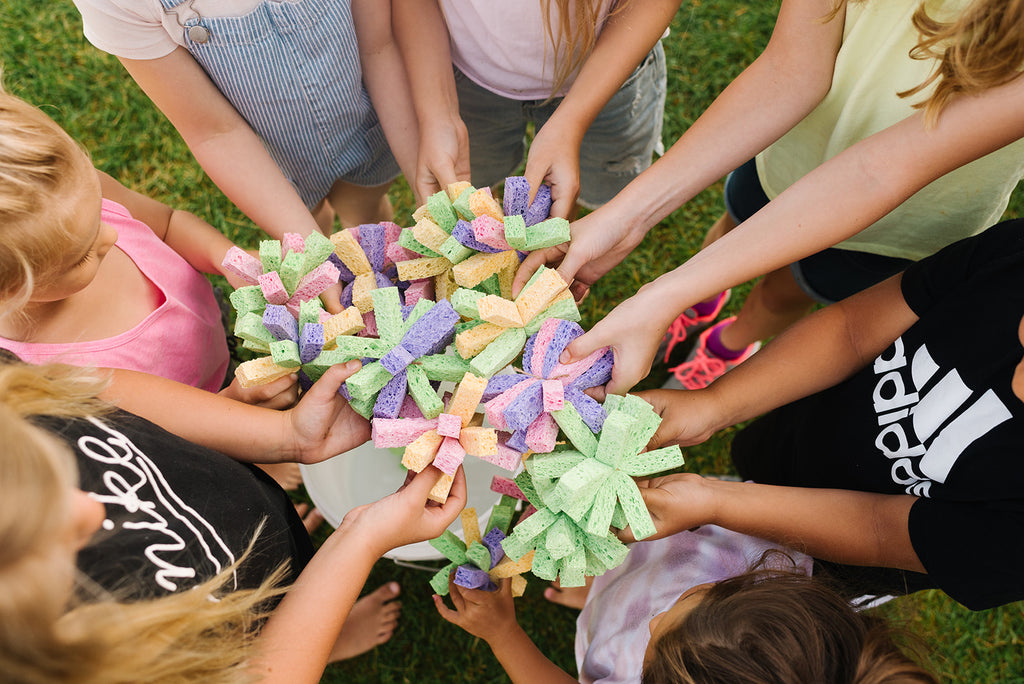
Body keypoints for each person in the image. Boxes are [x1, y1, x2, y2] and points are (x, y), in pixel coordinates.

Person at [518, 0, 1024, 394]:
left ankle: (731, 342)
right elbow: (791, 70)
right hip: (794, 146)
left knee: (787, 291)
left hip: (904, 218)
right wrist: (628, 217)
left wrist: (661, 294)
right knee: (736, 220)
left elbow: (878, 172)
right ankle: (700, 294)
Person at [625, 219, 1024, 611]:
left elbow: (879, 528)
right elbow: (853, 330)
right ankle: (619, 584)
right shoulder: (1013, 258)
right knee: (740, 488)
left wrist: (713, 501)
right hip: (801, 437)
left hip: (834, 563)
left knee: (723, 618)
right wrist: (714, 405)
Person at [0, 357, 466, 681]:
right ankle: (327, 638)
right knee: (291, 625)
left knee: (287, 559)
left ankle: (308, 585)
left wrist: (283, 436)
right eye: (64, 542)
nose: (96, 508)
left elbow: (78, 393)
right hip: (251, 632)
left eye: (61, 477)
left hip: (239, 511)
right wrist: (361, 539)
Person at [0, 87, 308, 485]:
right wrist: (234, 410)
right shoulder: (50, 377)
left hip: (205, 329)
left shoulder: (66, 196)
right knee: (241, 459)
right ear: (11, 292)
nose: (110, 236)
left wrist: (226, 258)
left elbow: (166, 222)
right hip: (191, 423)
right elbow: (157, 445)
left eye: (100, 211)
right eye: (81, 257)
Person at [70, 0, 419, 238]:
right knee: (307, 219)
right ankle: (319, 225)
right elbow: (214, 132)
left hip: (364, 122)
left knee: (366, 208)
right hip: (268, 163)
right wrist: (308, 244)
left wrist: (421, 175)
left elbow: (379, 45)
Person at [435, 540, 934, 683]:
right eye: (688, 599)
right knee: (622, 590)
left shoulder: (766, 609)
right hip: (638, 567)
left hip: (608, 631)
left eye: (649, 661)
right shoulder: (777, 567)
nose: (652, 621)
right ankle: (600, 594)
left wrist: (504, 635)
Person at [393, 0, 676, 218]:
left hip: (609, 77)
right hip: (468, 77)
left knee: (574, 189)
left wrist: (572, 122)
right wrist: (439, 114)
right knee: (472, 178)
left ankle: (559, 244)